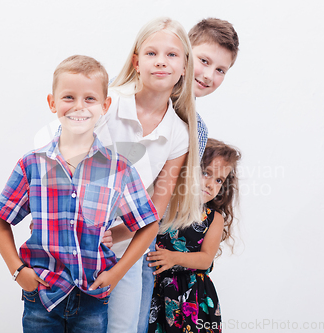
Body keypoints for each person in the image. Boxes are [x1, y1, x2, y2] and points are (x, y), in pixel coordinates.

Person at [0, 55, 160, 333]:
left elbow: (149, 224)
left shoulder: (119, 169)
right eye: (69, 97)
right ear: (52, 103)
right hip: (41, 296)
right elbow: (0, 220)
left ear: (105, 106)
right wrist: (19, 272)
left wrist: (117, 273)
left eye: (90, 99)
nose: (79, 107)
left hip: (92, 298)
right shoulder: (32, 164)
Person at [95, 17, 202, 333]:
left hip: (127, 247)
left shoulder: (180, 134)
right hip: (77, 239)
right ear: (136, 62)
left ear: (185, 67)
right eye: (152, 53)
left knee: (122, 328)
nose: (161, 62)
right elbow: (68, 167)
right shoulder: (108, 104)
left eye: (172, 55)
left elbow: (156, 205)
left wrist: (114, 236)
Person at [137, 17, 240, 333]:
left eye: (221, 70)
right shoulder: (131, 95)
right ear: (183, 54)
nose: (209, 75)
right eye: (204, 61)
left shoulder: (198, 130)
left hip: (142, 245)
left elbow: (167, 196)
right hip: (96, 231)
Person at [147, 138, 241, 333]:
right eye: (205, 173)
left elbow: (206, 259)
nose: (210, 184)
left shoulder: (213, 219)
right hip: (157, 291)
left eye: (218, 180)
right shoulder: (163, 205)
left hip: (193, 297)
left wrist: (174, 257)